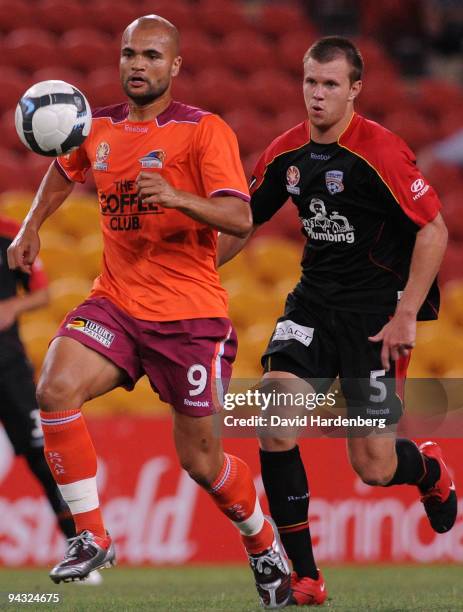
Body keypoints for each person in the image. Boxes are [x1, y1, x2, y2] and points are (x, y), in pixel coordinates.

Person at [7, 15, 292, 608]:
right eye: (131, 54)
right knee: (55, 388)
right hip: (115, 301)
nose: (139, 65)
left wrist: (175, 197)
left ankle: (262, 541)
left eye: (153, 56)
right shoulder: (97, 126)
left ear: (176, 66)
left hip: (191, 319)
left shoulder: (203, 131)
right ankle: (91, 536)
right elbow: (64, 172)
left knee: (202, 463)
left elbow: (240, 218)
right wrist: (32, 227)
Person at [219, 36, 455, 606]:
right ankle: (305, 576)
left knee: (373, 465)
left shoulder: (383, 152)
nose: (317, 95)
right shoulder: (285, 153)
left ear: (354, 90)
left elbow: (434, 230)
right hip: (312, 306)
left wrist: (405, 316)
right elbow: (244, 221)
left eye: (330, 85)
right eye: (310, 82)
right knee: (273, 417)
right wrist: (194, 268)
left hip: (375, 318)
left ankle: (429, 471)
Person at [0, 214, 106, 581]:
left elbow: (43, 292)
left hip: (7, 367)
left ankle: (78, 547)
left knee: (42, 460)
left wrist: (14, 306)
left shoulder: (10, 233)